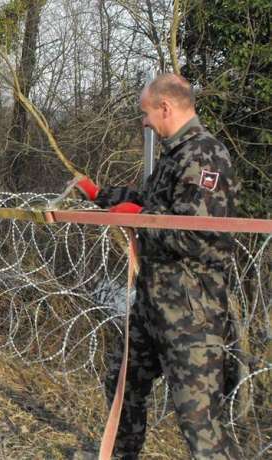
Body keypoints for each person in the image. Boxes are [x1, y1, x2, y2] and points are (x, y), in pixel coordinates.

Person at [74, 73, 240, 459]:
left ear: (165, 107)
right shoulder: (175, 155)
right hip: (152, 306)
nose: (144, 122)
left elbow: (196, 235)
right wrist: (102, 196)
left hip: (189, 315)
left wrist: (142, 216)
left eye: (146, 113)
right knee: (123, 383)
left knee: (198, 422)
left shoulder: (205, 156)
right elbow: (149, 201)